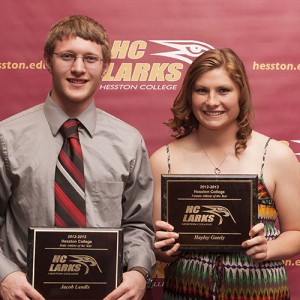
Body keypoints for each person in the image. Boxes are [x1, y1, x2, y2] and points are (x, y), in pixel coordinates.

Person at [0, 15, 155, 300]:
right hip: (27, 293)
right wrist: (4, 276)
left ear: (105, 67)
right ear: (47, 60)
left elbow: (139, 224)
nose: (78, 69)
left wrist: (138, 271)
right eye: (67, 56)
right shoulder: (7, 138)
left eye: (91, 59)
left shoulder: (128, 141)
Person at [150, 48, 300, 299]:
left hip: (261, 292)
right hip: (186, 292)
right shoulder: (163, 160)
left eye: (223, 90)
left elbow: (297, 233)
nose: (211, 101)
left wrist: (268, 249)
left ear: (240, 95)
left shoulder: (275, 155)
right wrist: (164, 250)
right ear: (189, 94)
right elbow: (157, 244)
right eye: (201, 90)